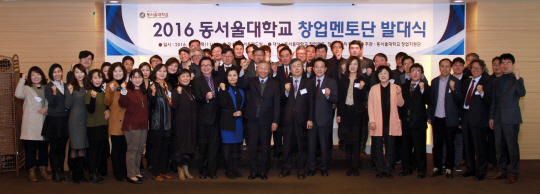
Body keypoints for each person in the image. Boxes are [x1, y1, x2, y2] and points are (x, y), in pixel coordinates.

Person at [238, 60, 280, 180]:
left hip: (267, 120)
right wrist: (242, 70)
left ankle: (263, 171)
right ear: (257, 70)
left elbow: (277, 104)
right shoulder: (251, 81)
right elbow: (240, 84)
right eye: (260, 68)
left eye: (265, 68)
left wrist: (275, 121)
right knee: (252, 146)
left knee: (265, 147)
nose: (263, 70)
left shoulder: (274, 84)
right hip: (252, 119)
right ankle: (253, 171)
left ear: (269, 70)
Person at [487, 53, 526, 184]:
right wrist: (491, 117)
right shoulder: (496, 80)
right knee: (499, 147)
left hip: (511, 118)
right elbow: (494, 100)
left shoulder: (517, 79)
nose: (504, 65)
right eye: (502, 63)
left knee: (512, 147)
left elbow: (522, 93)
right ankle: (502, 171)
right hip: (497, 119)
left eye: (508, 63)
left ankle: (514, 173)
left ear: (513, 65)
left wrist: (519, 78)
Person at [278, 59, 314, 180]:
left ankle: (301, 170)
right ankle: (286, 169)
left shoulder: (308, 82)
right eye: (294, 66)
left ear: (302, 68)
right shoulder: (284, 82)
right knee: (286, 145)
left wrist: (310, 119)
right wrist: (286, 92)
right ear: (290, 69)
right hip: (288, 119)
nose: (297, 68)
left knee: (302, 146)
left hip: (302, 119)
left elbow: (311, 103)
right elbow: (280, 101)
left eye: (299, 66)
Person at [428, 58, 463, 179]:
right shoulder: (434, 81)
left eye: (447, 66)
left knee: (449, 145)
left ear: (451, 68)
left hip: (450, 119)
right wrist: (429, 116)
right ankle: (437, 167)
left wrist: (453, 89)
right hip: (437, 117)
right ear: (439, 67)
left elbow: (459, 100)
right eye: (443, 66)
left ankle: (449, 168)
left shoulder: (456, 81)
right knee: (437, 145)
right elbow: (431, 101)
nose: (445, 68)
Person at [368, 65, 404, 179]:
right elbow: (370, 105)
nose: (382, 75)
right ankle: (380, 170)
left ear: (389, 75)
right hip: (377, 123)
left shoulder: (396, 87)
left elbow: (401, 104)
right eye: (380, 73)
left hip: (391, 123)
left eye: (385, 73)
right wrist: (372, 120)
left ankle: (388, 169)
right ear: (377, 76)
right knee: (378, 148)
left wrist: (399, 93)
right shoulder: (374, 88)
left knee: (390, 148)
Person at [458, 59, 492, 181]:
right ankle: (470, 169)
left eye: (478, 68)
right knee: (468, 146)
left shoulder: (487, 82)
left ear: (483, 70)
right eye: (473, 68)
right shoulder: (466, 81)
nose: (475, 70)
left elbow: (489, 101)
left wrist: (482, 92)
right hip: (466, 117)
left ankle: (481, 171)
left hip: (479, 119)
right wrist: (460, 118)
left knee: (480, 147)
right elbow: (462, 100)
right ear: (470, 69)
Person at [15, 66, 50, 182]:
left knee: (44, 149)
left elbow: (53, 102)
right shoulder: (26, 88)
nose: (36, 77)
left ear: (42, 75)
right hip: (31, 123)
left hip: (44, 122)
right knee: (30, 149)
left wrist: (47, 109)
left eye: (38, 74)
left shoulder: (47, 88)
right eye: (33, 75)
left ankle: (43, 170)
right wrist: (22, 79)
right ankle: (31, 171)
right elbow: (18, 95)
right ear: (30, 77)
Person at [307, 58, 338, 177]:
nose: (319, 69)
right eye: (317, 67)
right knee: (311, 146)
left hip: (325, 119)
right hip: (311, 119)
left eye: (321, 67)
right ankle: (312, 167)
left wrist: (329, 96)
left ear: (325, 69)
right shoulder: (309, 82)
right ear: (313, 69)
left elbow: (335, 99)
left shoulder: (331, 82)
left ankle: (324, 167)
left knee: (325, 146)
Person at [336, 57, 367, 177]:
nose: (353, 66)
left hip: (357, 113)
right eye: (351, 64)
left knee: (356, 141)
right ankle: (349, 167)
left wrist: (361, 89)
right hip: (345, 112)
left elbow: (362, 99)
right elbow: (340, 99)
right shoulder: (342, 80)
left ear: (358, 66)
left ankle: (356, 167)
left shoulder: (362, 80)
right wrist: (339, 114)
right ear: (347, 66)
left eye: (355, 64)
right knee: (347, 141)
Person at [399, 63, 431, 179]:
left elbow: (429, 102)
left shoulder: (426, 87)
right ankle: (407, 168)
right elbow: (401, 105)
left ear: (422, 74)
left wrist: (422, 90)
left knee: (420, 148)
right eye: (413, 71)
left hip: (419, 122)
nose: (415, 73)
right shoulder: (404, 86)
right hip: (405, 122)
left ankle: (421, 170)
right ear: (409, 73)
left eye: (418, 71)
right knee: (406, 148)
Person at [118, 69, 149, 184]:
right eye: (134, 77)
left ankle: (136, 172)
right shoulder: (127, 91)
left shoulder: (144, 91)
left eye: (139, 77)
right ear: (130, 79)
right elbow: (122, 103)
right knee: (132, 150)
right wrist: (124, 91)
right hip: (132, 125)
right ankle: (130, 174)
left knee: (140, 149)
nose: (137, 79)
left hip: (143, 125)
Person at [192, 57, 221, 179]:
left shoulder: (218, 80)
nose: (206, 67)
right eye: (203, 65)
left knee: (214, 147)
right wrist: (206, 97)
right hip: (202, 119)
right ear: (200, 67)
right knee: (203, 146)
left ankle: (212, 171)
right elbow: (197, 98)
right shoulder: (196, 81)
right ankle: (203, 170)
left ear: (213, 66)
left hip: (216, 118)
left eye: (208, 65)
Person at [43, 64, 69, 182]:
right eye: (54, 72)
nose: (57, 74)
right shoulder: (49, 86)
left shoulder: (66, 85)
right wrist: (53, 93)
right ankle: (55, 172)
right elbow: (52, 105)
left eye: (59, 71)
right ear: (51, 74)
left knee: (62, 148)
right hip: (53, 120)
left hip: (64, 120)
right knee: (54, 148)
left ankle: (61, 171)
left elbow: (68, 103)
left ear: (62, 73)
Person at [147, 63, 174, 181]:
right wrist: (152, 94)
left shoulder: (169, 86)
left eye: (164, 71)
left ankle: (164, 171)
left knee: (165, 149)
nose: (162, 73)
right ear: (155, 73)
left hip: (168, 123)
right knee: (157, 148)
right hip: (157, 123)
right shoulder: (152, 86)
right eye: (159, 71)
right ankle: (155, 172)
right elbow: (150, 105)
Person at [170, 69, 198, 181]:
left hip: (192, 123)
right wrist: (179, 94)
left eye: (187, 76)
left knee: (189, 147)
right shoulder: (177, 90)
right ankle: (180, 170)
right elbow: (174, 106)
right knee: (180, 147)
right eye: (183, 76)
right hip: (180, 124)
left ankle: (186, 169)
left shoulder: (192, 90)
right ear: (178, 79)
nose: (185, 78)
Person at [218, 68, 245, 179]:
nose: (232, 77)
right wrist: (223, 90)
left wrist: (241, 111)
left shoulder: (241, 90)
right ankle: (228, 170)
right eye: (230, 75)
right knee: (227, 148)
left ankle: (235, 169)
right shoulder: (224, 88)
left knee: (236, 149)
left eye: (234, 75)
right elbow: (222, 104)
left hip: (238, 122)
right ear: (226, 77)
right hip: (227, 122)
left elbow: (244, 104)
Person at [65, 64, 89, 183]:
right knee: (74, 147)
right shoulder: (71, 86)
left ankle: (81, 173)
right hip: (74, 120)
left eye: (81, 72)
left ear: (85, 73)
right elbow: (67, 105)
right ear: (73, 74)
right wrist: (69, 93)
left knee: (82, 147)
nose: (79, 74)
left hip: (86, 119)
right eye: (77, 72)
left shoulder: (87, 86)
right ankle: (74, 173)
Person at [104, 62, 128, 182]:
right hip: (115, 121)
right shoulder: (109, 85)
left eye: (120, 71)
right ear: (111, 73)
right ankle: (117, 172)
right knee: (116, 148)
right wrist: (111, 91)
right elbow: (107, 102)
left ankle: (124, 170)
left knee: (125, 148)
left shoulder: (127, 84)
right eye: (115, 71)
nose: (118, 73)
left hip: (127, 121)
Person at [84, 70, 109, 184]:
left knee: (100, 151)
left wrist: (108, 109)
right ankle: (92, 174)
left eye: (99, 77)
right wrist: (93, 98)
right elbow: (90, 110)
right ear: (90, 80)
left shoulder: (103, 92)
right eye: (95, 78)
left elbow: (107, 106)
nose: (98, 80)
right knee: (93, 152)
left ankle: (97, 172)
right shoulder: (90, 92)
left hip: (103, 125)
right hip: (93, 126)